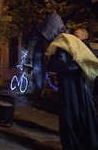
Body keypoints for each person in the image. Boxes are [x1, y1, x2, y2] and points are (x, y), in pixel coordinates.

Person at [40, 13, 98, 150]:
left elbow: (69, 64)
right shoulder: (66, 40)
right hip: (74, 86)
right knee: (79, 116)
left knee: (72, 117)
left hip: (72, 88)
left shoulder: (65, 40)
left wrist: (52, 63)